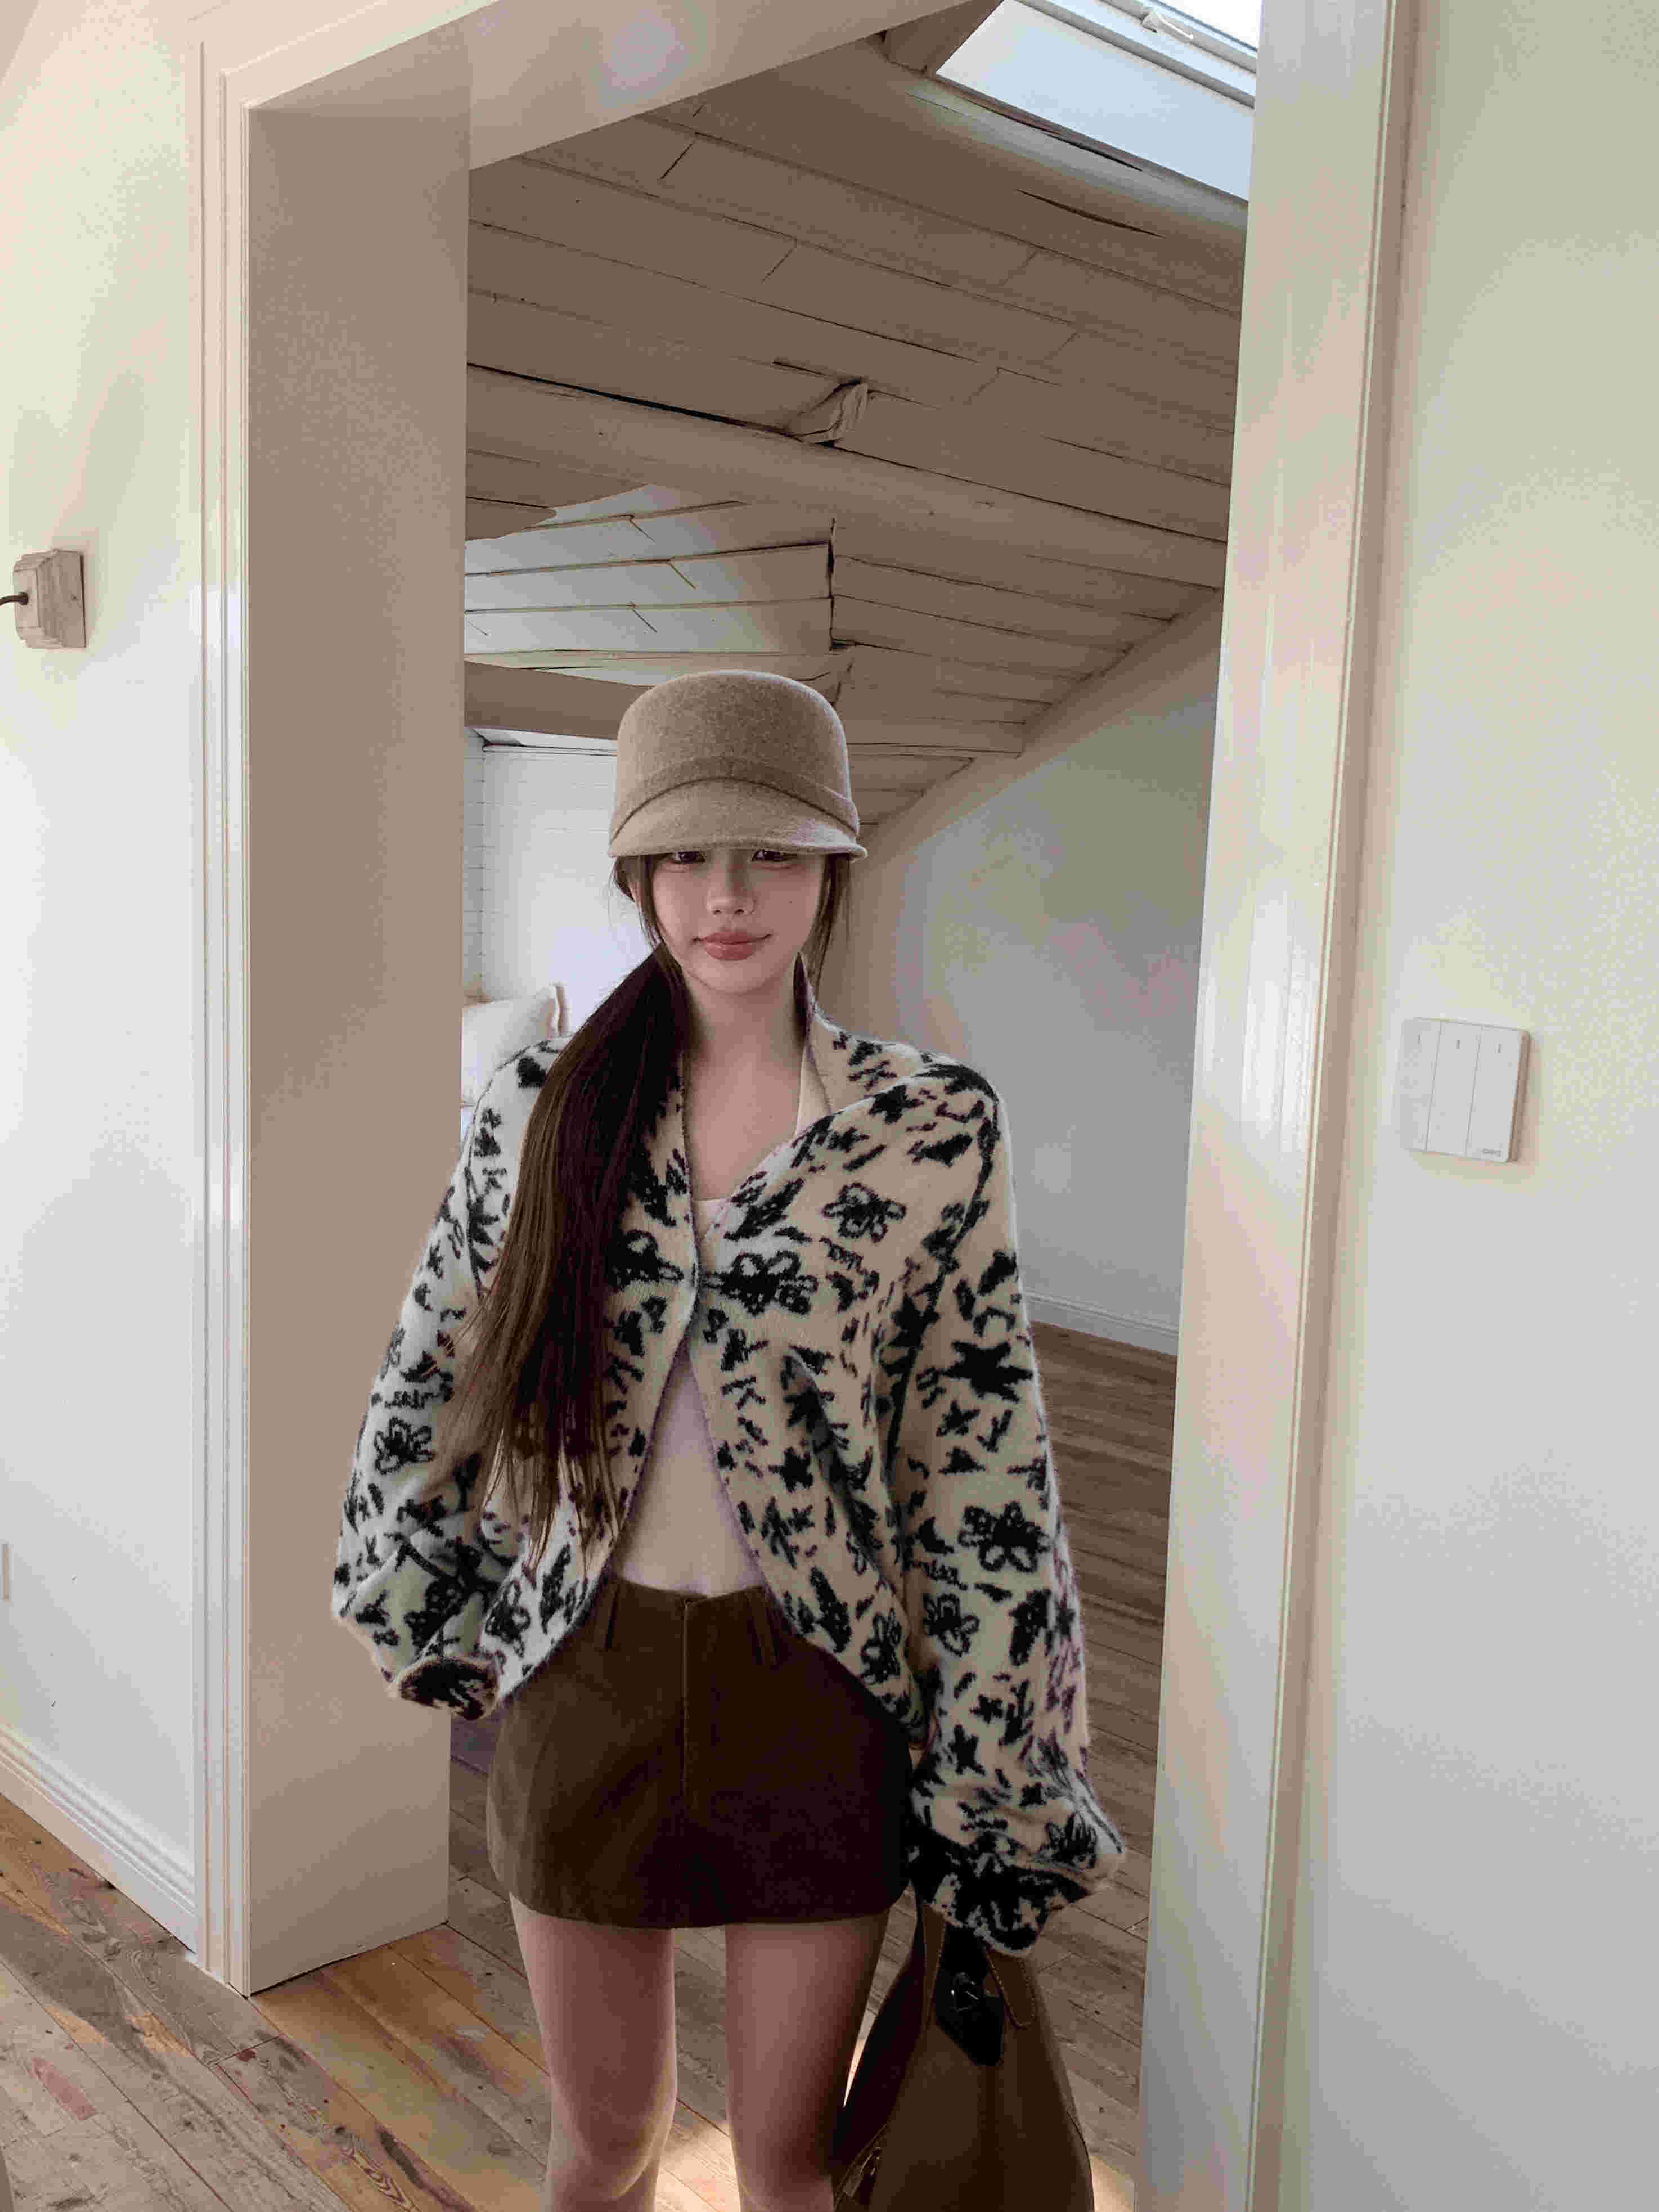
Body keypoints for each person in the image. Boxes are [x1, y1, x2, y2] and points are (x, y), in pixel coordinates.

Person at [332, 668, 1125, 2212]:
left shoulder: (928, 1132)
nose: (729, 894)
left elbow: (981, 1463)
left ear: (832, 864)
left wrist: (1000, 1760)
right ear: (640, 874)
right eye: (689, 855)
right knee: (603, 2144)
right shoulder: (541, 1107)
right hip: (586, 1676)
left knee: (786, 2165)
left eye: (771, 852)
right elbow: (436, 1362)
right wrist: (418, 1596)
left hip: (817, 1687)